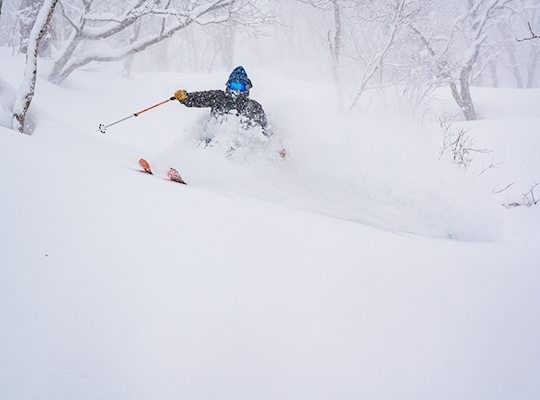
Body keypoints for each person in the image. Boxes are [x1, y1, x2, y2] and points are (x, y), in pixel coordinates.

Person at [173, 66, 268, 135]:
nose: (236, 90)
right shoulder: (218, 97)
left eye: (240, 87)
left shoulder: (254, 106)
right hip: (215, 141)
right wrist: (185, 97)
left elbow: (264, 129)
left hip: (241, 146)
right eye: (234, 86)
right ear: (228, 85)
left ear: (246, 88)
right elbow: (198, 98)